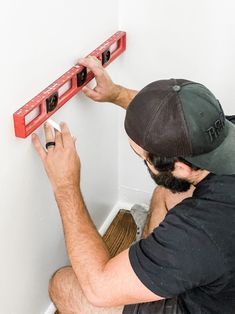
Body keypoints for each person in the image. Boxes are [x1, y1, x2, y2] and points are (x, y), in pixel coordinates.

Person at [32, 56, 235, 314]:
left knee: (63, 286)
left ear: (181, 167)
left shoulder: (201, 228)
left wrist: (65, 185)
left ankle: (153, 271)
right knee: (168, 192)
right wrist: (117, 94)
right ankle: (153, 271)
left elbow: (99, 288)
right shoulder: (223, 131)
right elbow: (183, 123)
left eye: (141, 157)